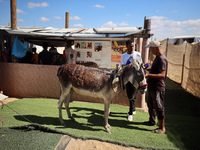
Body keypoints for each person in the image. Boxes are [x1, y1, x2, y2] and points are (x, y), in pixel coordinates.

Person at [143, 40, 168, 134]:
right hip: (152, 86)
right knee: (151, 105)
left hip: (158, 87)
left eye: (150, 49)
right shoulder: (157, 57)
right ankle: (151, 121)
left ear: (154, 48)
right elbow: (155, 70)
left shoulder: (162, 59)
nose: (150, 51)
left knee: (159, 106)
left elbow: (162, 74)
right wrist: (147, 69)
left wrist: (148, 75)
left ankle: (162, 128)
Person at [121, 40, 143, 121]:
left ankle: (130, 113)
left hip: (136, 78)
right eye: (130, 46)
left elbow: (140, 64)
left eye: (133, 46)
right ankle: (133, 109)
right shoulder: (123, 56)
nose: (132, 47)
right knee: (130, 94)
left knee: (132, 95)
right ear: (126, 46)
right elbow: (123, 66)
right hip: (128, 79)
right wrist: (129, 65)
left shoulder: (137, 54)